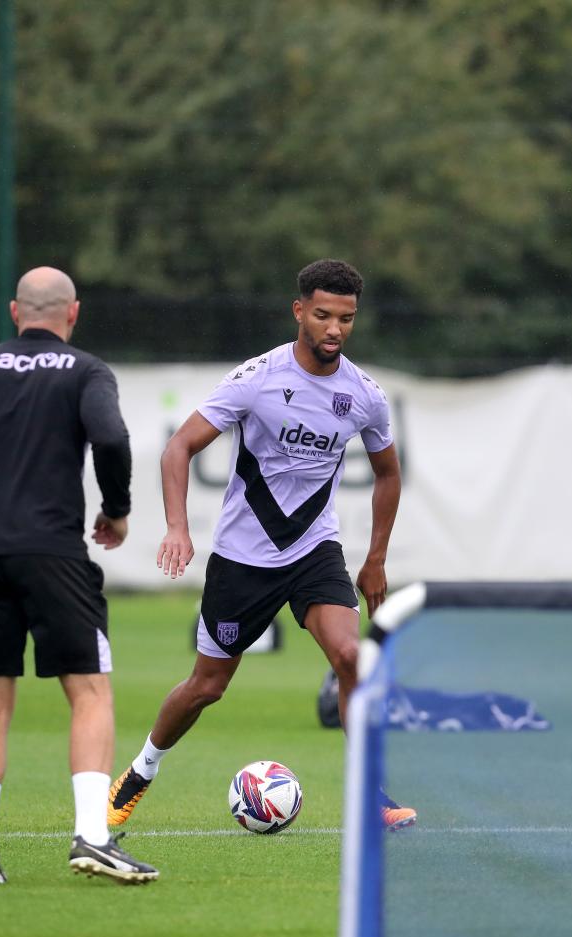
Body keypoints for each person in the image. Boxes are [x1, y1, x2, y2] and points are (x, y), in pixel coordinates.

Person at [107, 258, 416, 831]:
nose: (334, 329)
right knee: (207, 686)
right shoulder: (257, 378)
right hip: (242, 558)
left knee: (350, 658)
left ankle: (371, 794)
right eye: (323, 314)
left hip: (314, 550)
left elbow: (388, 474)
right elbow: (179, 448)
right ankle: (142, 770)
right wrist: (178, 525)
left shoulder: (365, 396)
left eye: (346, 319)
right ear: (299, 310)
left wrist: (375, 559)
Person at [0, 266, 158, 885]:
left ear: (16, 312)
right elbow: (112, 438)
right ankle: (93, 837)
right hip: (53, 553)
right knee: (89, 691)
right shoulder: (85, 370)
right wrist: (117, 511)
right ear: (73, 315)